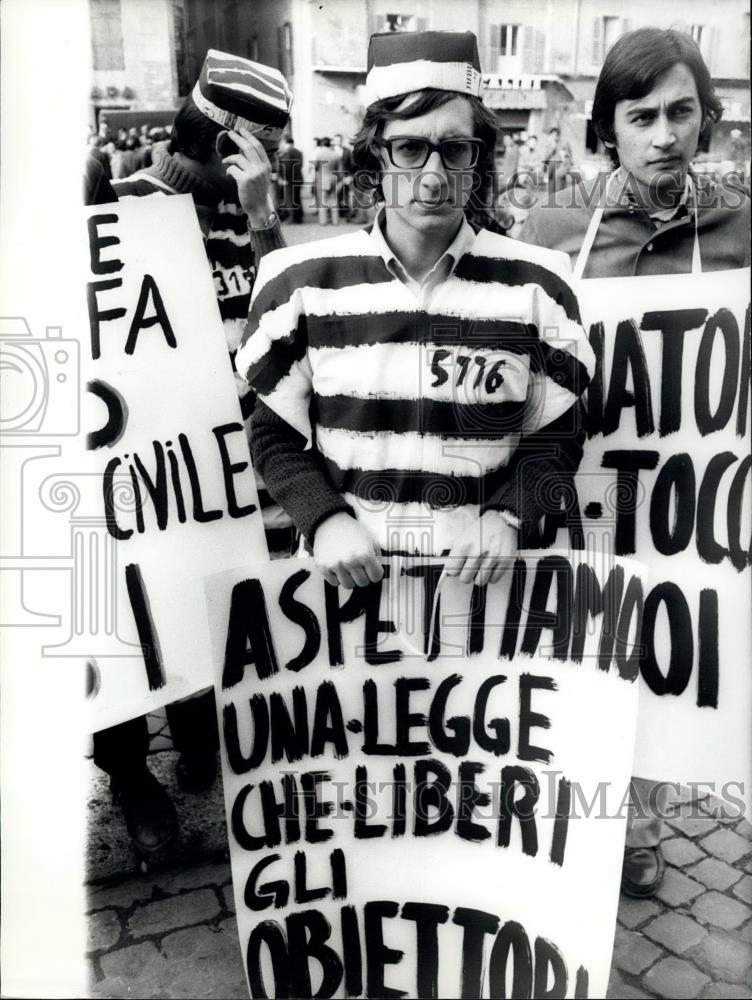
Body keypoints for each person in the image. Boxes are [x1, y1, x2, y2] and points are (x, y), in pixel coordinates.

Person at [520, 27, 750, 898]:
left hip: (693, 495)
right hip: (580, 487)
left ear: (706, 120)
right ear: (607, 128)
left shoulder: (740, 225)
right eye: (642, 116)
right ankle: (561, 820)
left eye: (681, 113)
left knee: (665, 654)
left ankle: (639, 827)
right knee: (580, 654)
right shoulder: (553, 228)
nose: (665, 135)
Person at [237, 29, 594, 591]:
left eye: (455, 149)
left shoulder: (540, 285)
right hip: (347, 601)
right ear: (375, 155)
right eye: (408, 148)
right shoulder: (301, 283)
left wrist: (510, 514)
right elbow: (272, 435)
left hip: (485, 598)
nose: (432, 177)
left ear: (478, 158)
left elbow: (561, 431)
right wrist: (324, 520)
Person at [100, 49, 294, 858]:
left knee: (209, 603)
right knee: (128, 614)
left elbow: (288, 316)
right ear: (224, 143)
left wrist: (263, 221)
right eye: (266, 149)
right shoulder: (119, 209)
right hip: (142, 469)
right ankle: (127, 772)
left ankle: (196, 727)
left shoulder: (250, 212)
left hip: (225, 467)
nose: (277, 164)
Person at [277, 133, 304, 223]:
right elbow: (300, 166)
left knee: (290, 200)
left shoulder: (288, 152)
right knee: (297, 199)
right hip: (298, 178)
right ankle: (298, 218)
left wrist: (284, 179)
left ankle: (292, 218)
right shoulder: (299, 152)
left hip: (289, 180)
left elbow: (287, 167)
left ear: (285, 142)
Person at [312, 136, 339, 224]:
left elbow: (315, 166)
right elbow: (337, 167)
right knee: (334, 200)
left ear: (322, 144)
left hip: (322, 179)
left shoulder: (319, 153)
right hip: (333, 178)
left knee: (323, 200)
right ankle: (335, 220)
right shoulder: (335, 154)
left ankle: (323, 221)